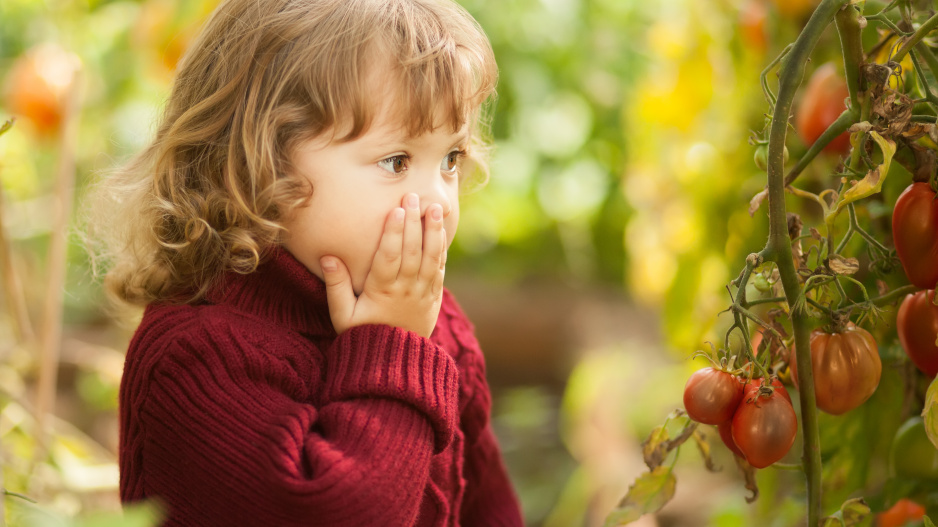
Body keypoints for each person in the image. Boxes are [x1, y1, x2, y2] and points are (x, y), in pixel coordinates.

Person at [90, 0, 524, 524]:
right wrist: (391, 349)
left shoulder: (434, 324)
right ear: (262, 161)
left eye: (450, 159)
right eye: (396, 161)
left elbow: (489, 508)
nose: (437, 200)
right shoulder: (199, 357)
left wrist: (405, 336)